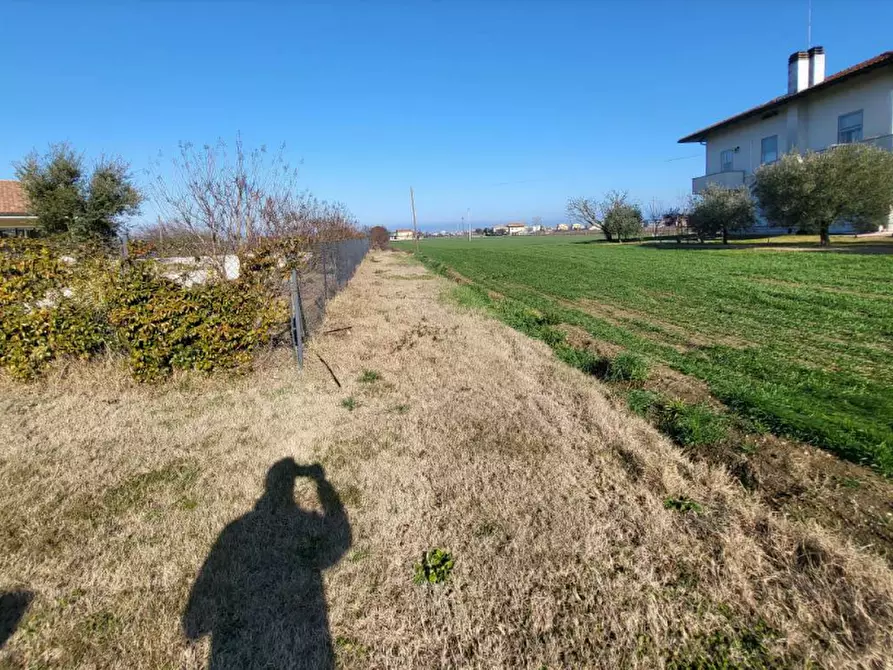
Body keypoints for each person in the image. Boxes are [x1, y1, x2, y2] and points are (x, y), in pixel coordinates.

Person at [183, 459, 351, 669]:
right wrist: (321, 482)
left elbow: (194, 622)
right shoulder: (300, 524)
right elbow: (340, 540)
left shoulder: (235, 530)